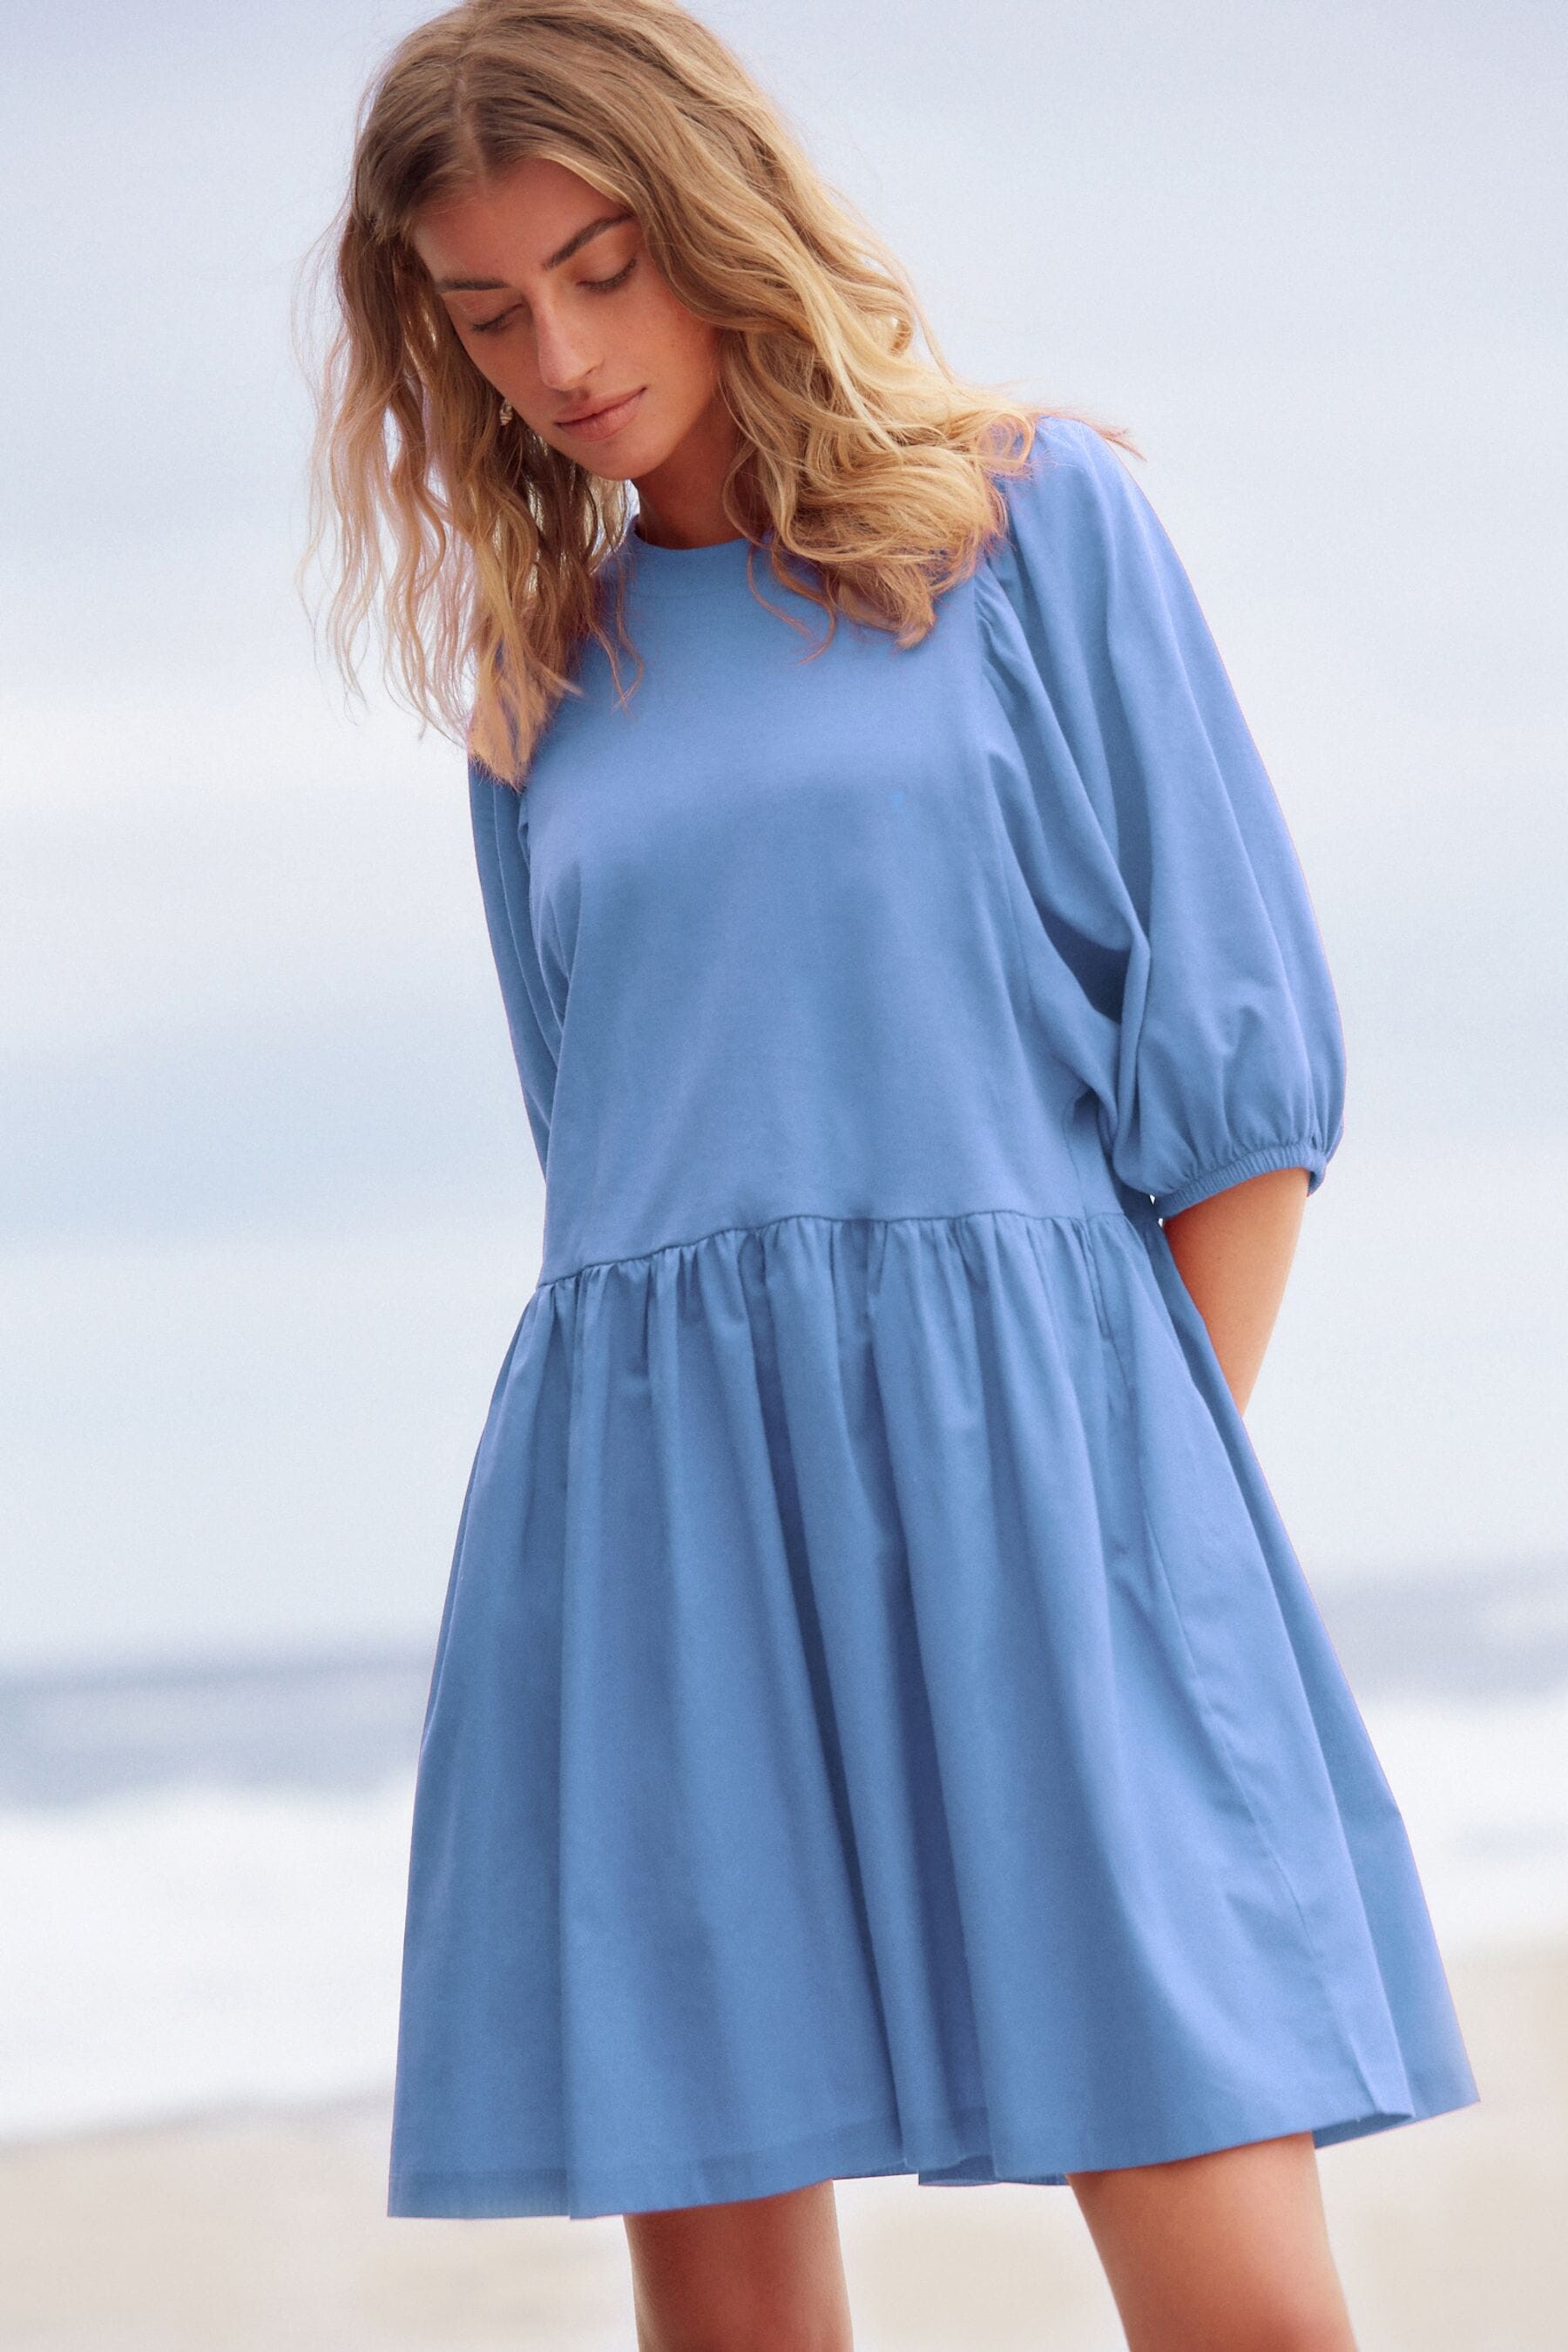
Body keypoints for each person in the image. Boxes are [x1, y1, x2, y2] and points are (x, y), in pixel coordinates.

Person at [299, 2, 1480, 2344]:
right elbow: (599, 1153)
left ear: (718, 220)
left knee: (1246, 2301)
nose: (561, 357)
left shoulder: (1032, 524)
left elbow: (1239, 1087)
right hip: (660, 1514)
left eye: (602, 269)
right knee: (736, 2318)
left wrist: (1127, 1519)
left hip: (1051, 1474)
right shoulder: (545, 676)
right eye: (490, 311)